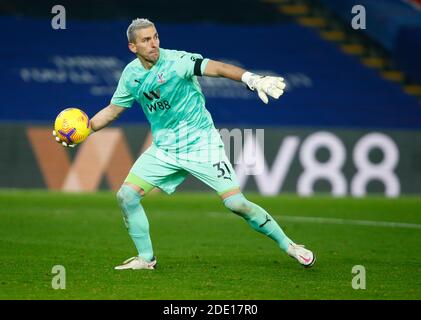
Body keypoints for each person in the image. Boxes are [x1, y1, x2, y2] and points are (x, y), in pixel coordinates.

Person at [53, 18, 316, 270]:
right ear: (133, 47)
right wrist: (85, 132)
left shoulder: (178, 61)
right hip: (165, 150)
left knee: (236, 204)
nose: (154, 43)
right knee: (126, 195)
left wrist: (252, 79)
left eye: (155, 37)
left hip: (203, 146)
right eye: (146, 40)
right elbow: (113, 109)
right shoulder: (131, 75)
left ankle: (290, 245)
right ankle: (146, 259)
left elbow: (220, 69)